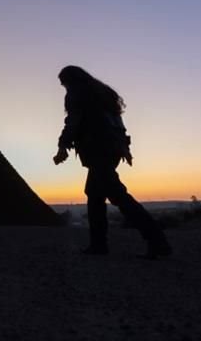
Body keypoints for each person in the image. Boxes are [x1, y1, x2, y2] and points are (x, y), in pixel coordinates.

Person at [52, 65, 171, 259]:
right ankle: (98, 245)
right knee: (94, 193)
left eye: (64, 84)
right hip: (112, 150)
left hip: (97, 149)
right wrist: (125, 149)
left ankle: (157, 241)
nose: (64, 88)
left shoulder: (78, 93)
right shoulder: (103, 93)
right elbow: (118, 124)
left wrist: (62, 145)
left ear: (70, 80)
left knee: (117, 195)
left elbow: (73, 121)